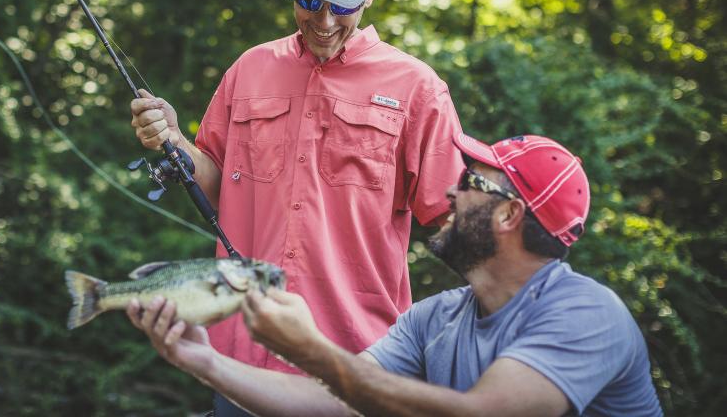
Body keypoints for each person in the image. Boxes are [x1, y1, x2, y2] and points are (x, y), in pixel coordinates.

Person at [130, 0, 465, 414]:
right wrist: (176, 141)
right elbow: (219, 182)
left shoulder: (417, 88)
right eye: (310, 1)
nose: (325, 20)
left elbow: (456, 221)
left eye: (342, 5)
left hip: (356, 361)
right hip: (240, 355)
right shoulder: (249, 69)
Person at [127, 133, 663, 416]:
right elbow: (335, 402)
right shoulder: (436, 319)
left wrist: (309, 348)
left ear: (507, 214)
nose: (452, 189)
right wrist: (203, 361)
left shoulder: (587, 315)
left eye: (473, 179)